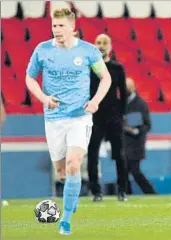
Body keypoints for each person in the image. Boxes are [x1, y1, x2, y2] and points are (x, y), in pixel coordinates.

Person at [25, 9, 111, 235]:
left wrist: (95, 102)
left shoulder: (88, 51)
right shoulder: (42, 50)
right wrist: (43, 98)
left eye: (61, 26)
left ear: (72, 27)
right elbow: (29, 78)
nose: (57, 30)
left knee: (74, 163)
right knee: (62, 172)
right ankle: (71, 193)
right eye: (54, 26)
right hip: (54, 119)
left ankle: (66, 220)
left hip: (80, 117)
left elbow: (106, 78)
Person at [87, 34, 128, 202]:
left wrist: (120, 114)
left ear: (110, 46)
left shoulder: (117, 68)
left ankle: (122, 191)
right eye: (98, 42)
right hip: (94, 117)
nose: (101, 45)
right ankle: (96, 192)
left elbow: (124, 93)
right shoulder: (88, 67)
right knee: (92, 154)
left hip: (113, 118)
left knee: (119, 154)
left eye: (104, 43)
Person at [124, 78, 156, 195]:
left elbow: (147, 125)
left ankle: (151, 193)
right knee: (124, 172)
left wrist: (136, 130)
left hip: (135, 144)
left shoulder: (140, 104)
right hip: (124, 143)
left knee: (135, 171)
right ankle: (126, 194)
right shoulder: (121, 103)